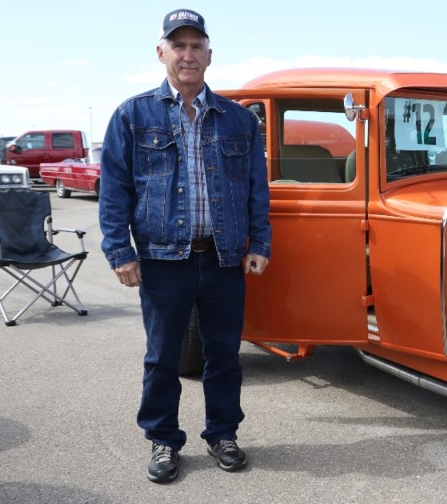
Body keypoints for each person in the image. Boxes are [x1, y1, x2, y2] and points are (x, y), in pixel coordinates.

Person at [98, 8, 271, 484]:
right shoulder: (132, 115)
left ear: (209, 56)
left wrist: (261, 241)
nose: (188, 54)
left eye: (197, 46)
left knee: (223, 354)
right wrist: (120, 251)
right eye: (179, 45)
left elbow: (258, 185)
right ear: (162, 54)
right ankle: (162, 439)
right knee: (162, 358)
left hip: (223, 258)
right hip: (160, 260)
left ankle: (222, 433)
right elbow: (114, 190)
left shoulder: (238, 119)